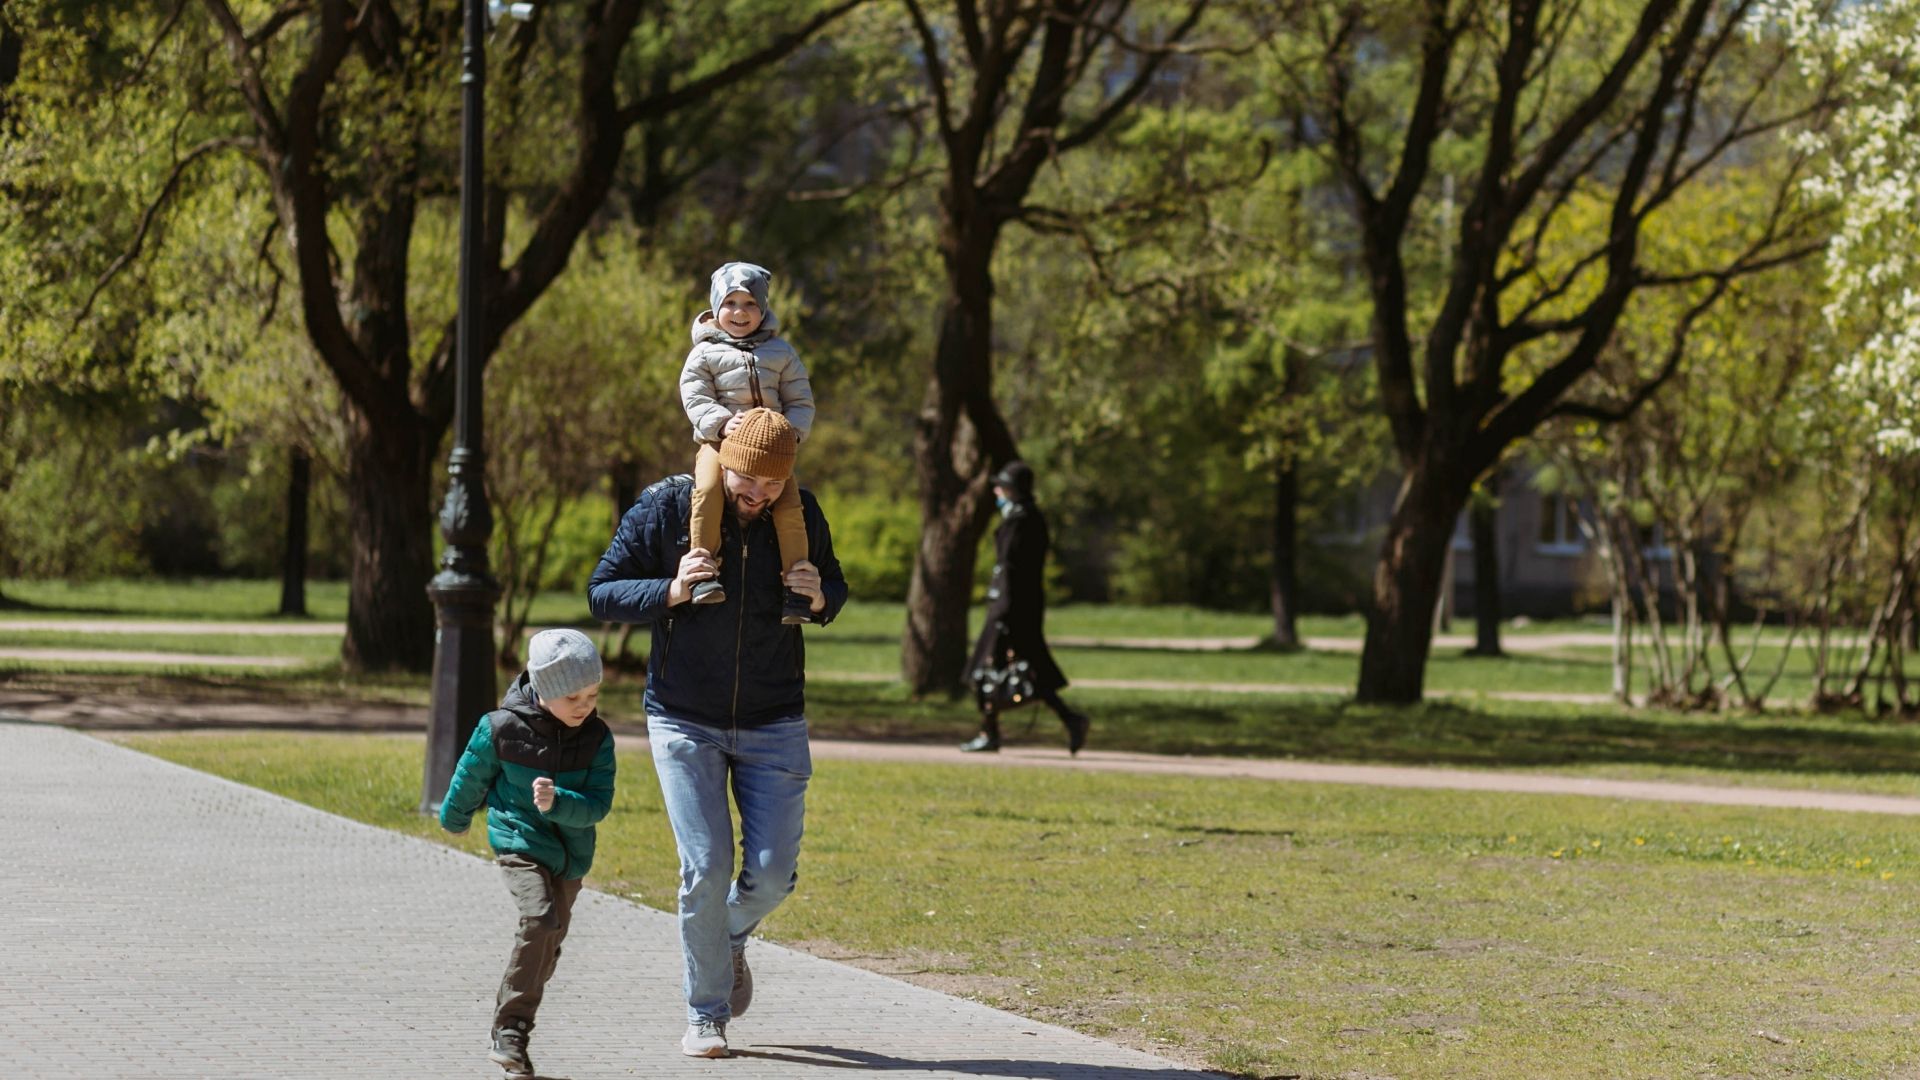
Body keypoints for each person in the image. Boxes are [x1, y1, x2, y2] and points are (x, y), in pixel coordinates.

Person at [586, 408, 848, 1059]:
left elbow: (835, 589)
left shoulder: (801, 515)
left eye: (769, 484)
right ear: (722, 457)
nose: (754, 493)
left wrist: (819, 596)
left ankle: (723, 938)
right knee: (705, 869)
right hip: (683, 717)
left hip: (775, 718)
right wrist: (671, 590)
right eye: (744, 478)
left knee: (771, 876)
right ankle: (706, 1014)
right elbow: (602, 593)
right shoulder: (669, 506)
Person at [439, 628, 616, 1078]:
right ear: (544, 688)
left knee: (548, 943)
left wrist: (560, 803)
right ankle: (511, 1030)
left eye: (593, 693)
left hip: (570, 855)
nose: (586, 705)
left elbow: (598, 805)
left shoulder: (597, 739)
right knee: (539, 920)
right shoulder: (499, 728)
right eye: (574, 695)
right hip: (518, 839)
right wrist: (455, 818)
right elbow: (470, 777)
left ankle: (515, 1017)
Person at [680, 260, 817, 624]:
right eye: (730, 303)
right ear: (715, 307)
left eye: (750, 304)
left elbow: (800, 400)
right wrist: (722, 423)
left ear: (763, 309)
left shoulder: (781, 353)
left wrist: (790, 435)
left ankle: (797, 587)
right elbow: (695, 397)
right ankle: (703, 573)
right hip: (720, 442)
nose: (740, 312)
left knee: (790, 507)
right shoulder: (704, 353)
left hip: (771, 448)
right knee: (707, 490)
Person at [960, 460, 1090, 755]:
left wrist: (1002, 607)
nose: (996, 491)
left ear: (1011, 489)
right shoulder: (1022, 517)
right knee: (1019, 669)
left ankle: (991, 731)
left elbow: (1012, 569)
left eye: (1001, 486)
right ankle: (1067, 720)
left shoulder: (1022, 520)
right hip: (1013, 605)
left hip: (1012, 607)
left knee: (990, 668)